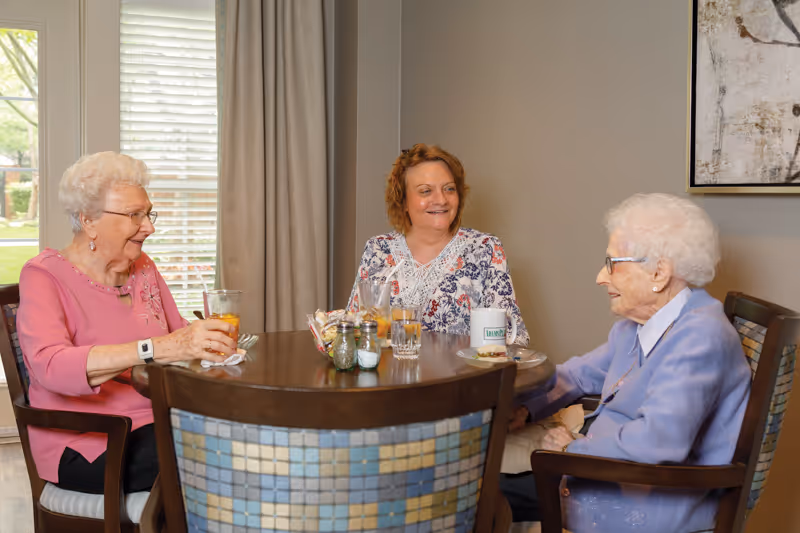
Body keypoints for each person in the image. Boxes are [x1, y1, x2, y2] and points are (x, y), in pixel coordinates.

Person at [501, 193, 751, 533]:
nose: (600, 277)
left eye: (612, 263)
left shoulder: (701, 337)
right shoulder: (640, 327)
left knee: (477, 496)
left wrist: (574, 449)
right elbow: (576, 374)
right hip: (601, 476)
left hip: (646, 503)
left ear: (659, 273)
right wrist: (527, 409)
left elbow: (659, 441)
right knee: (480, 485)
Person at [16, 152, 239, 494]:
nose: (149, 226)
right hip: (91, 440)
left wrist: (205, 342)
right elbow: (50, 367)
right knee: (216, 459)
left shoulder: (142, 267)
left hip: (158, 421)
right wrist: (156, 348)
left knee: (243, 436)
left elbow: (176, 334)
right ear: (89, 220)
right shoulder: (43, 275)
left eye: (149, 214)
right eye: (135, 215)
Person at [347, 143, 529, 345]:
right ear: (403, 201)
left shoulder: (485, 249)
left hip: (462, 376)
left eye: (449, 189)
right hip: (386, 375)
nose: (441, 199)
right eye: (425, 191)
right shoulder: (377, 249)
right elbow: (352, 330)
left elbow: (515, 338)